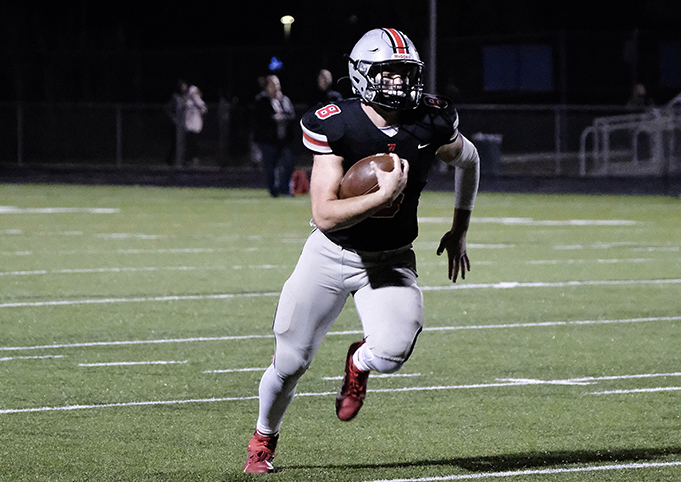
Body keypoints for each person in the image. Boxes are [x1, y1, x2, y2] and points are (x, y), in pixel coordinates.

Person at [243, 27, 481, 473]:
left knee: (391, 351)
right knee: (290, 362)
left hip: (391, 259)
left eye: (406, 74)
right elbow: (325, 214)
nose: (400, 84)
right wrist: (380, 196)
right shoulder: (336, 121)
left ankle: (358, 361)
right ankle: (264, 436)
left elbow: (470, 161)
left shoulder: (431, 119)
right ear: (362, 74)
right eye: (388, 74)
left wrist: (459, 229)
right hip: (330, 254)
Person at [253, 75, 296, 197]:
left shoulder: (284, 100)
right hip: (268, 140)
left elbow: (292, 115)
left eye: (277, 84)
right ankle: (273, 191)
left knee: (288, 164)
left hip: (283, 139)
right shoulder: (262, 100)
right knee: (270, 167)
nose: (275, 87)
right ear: (267, 87)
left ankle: (285, 189)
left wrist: (283, 117)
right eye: (272, 85)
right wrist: (273, 119)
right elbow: (260, 118)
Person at [165, 79, 208, 166]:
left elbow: (202, 107)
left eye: (184, 85)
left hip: (187, 125)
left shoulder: (189, 97)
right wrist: (175, 120)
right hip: (179, 124)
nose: (183, 87)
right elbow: (168, 109)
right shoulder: (176, 97)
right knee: (177, 143)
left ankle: (186, 160)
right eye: (182, 86)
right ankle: (171, 160)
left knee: (188, 142)